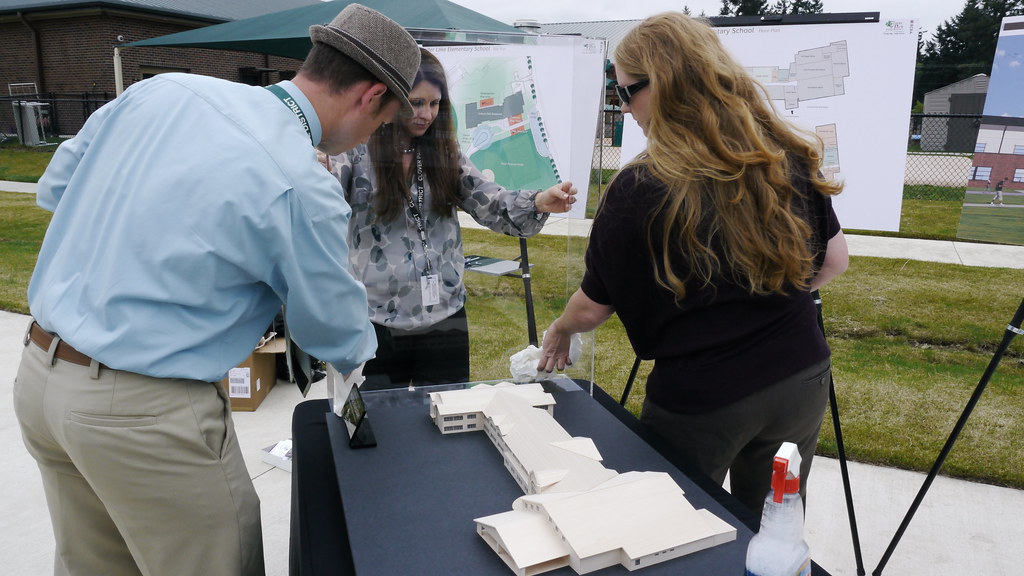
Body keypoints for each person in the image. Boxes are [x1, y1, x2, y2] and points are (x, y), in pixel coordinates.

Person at [13, 5, 420, 575]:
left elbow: (57, 188)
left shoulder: (161, 92)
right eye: (381, 123)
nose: (370, 136)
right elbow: (329, 328)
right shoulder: (299, 180)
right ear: (370, 97)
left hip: (40, 379)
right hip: (143, 413)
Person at [536, 12, 849, 518]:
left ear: (669, 83)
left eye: (626, 92)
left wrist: (559, 329)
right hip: (802, 374)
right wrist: (764, 303)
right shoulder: (781, 153)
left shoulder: (638, 188)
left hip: (704, 398)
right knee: (773, 526)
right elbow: (835, 260)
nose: (625, 107)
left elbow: (593, 308)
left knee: (672, 528)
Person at [327, 49, 577, 388]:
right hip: (374, 321)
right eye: (416, 102)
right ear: (391, 94)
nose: (426, 114)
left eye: (435, 104)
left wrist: (539, 202)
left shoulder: (445, 153)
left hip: (444, 319)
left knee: (448, 419)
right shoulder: (354, 149)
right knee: (379, 426)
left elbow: (491, 202)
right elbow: (318, 211)